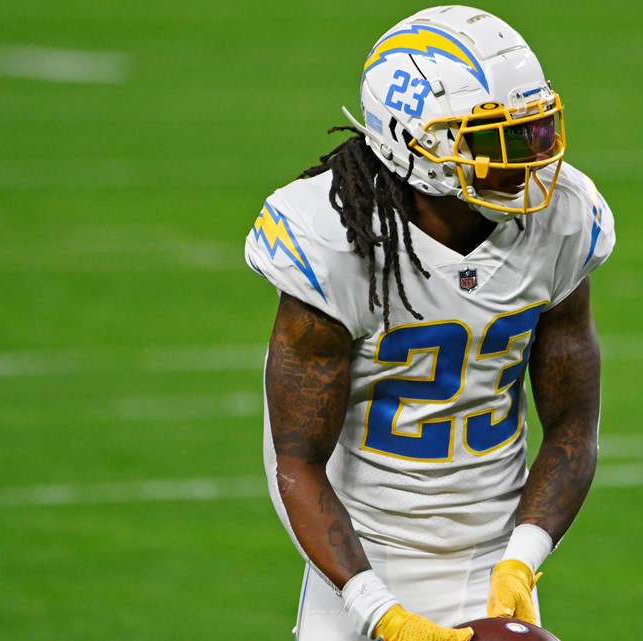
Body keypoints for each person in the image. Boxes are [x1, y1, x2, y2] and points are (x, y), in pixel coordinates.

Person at [243, 5, 615, 640]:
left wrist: (520, 564)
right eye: (496, 139)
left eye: (533, 132)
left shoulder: (561, 218)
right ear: (414, 144)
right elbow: (295, 462)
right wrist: (378, 612)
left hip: (497, 561)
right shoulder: (334, 238)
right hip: (362, 561)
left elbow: (574, 429)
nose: (529, 161)